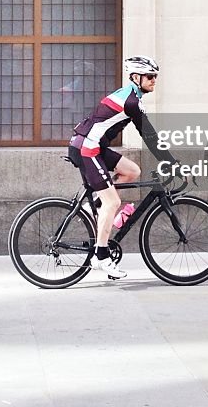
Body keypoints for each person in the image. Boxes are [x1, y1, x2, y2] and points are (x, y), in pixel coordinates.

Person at [67, 55, 160, 279]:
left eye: (155, 77)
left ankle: (94, 209)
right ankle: (101, 256)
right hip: (87, 148)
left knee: (132, 171)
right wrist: (171, 161)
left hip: (93, 146)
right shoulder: (130, 101)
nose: (154, 80)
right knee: (114, 202)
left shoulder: (132, 97)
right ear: (136, 77)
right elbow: (148, 134)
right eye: (150, 76)